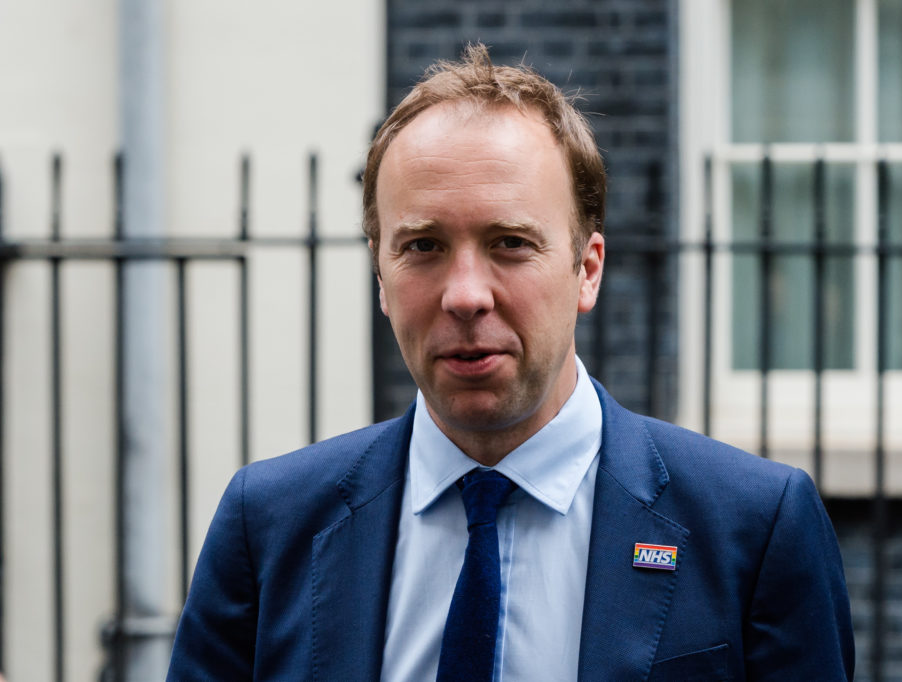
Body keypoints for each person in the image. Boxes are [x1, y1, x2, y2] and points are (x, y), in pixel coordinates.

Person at [168, 44, 854, 681]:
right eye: (423, 247)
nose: (466, 295)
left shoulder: (755, 529)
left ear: (588, 270)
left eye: (510, 243)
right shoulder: (269, 526)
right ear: (380, 276)